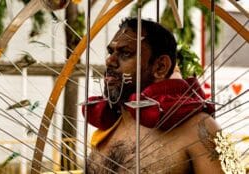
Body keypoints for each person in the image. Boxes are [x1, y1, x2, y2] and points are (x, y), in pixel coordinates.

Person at [83, 18, 224, 173]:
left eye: (125, 53)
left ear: (160, 67)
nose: (110, 61)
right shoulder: (110, 127)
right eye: (111, 52)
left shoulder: (199, 129)